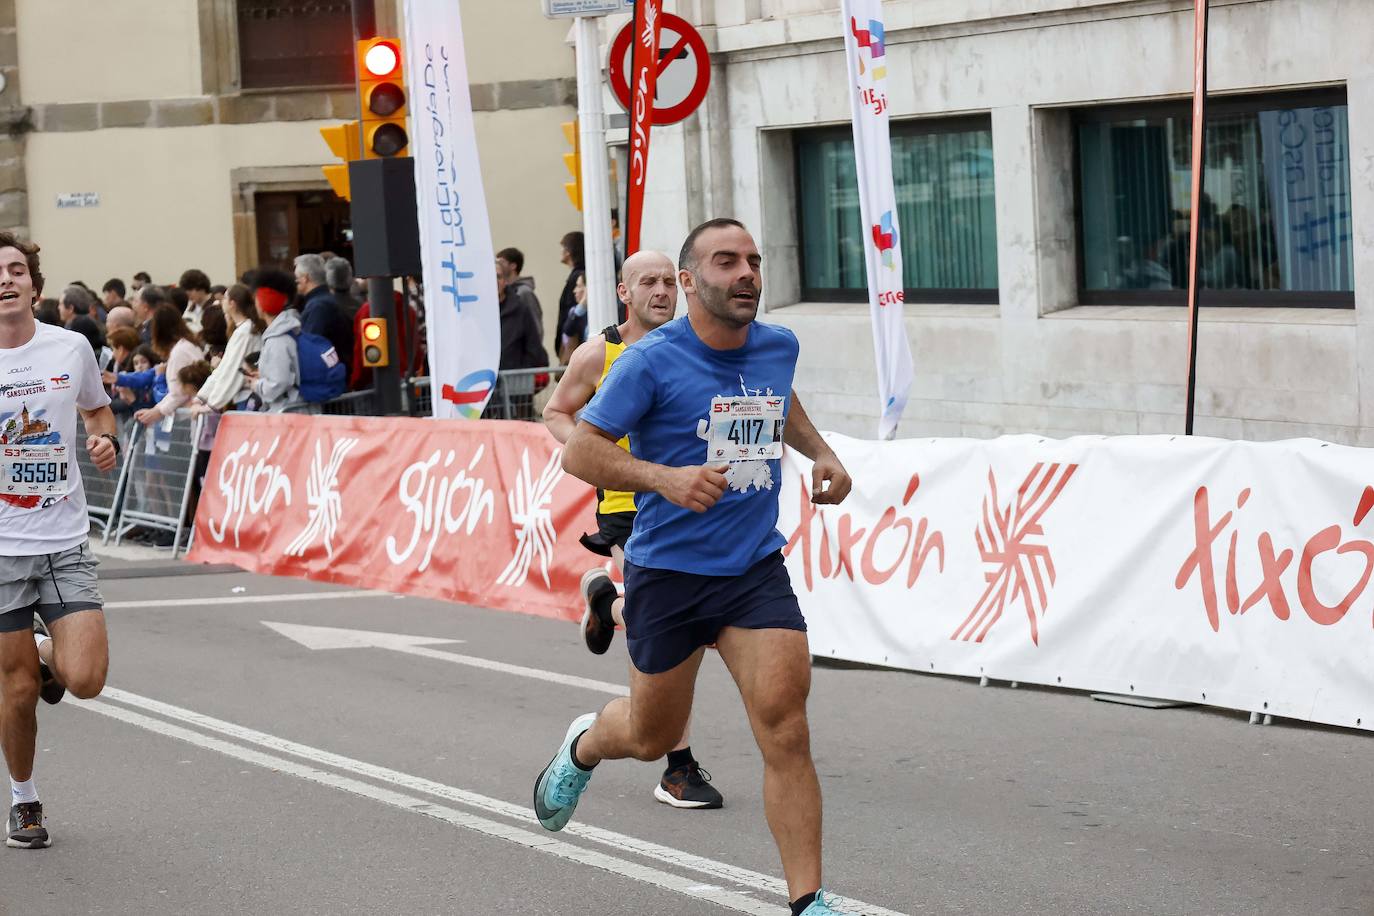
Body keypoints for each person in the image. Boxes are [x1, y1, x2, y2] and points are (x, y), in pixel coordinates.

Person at [532, 219, 854, 916]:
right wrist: (663, 479)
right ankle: (583, 748)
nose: (747, 273)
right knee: (649, 738)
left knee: (786, 727)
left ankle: (810, 903)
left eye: (754, 261)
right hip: (669, 572)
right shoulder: (648, 362)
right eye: (726, 261)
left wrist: (821, 454)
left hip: (752, 568)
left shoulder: (777, 347)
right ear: (687, 281)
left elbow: (779, 404)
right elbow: (580, 451)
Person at [542, 250, 725, 810]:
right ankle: (678, 767)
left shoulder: (695, 346)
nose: (662, 292)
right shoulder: (601, 352)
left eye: (670, 281)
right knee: (669, 622)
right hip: (627, 502)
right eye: (648, 282)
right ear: (625, 293)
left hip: (684, 498)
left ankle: (606, 601)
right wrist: (599, 452)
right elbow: (556, 412)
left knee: (674, 621)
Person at [0, 231, 117, 850]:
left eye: (16, 269)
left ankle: (50, 654)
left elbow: (98, 413)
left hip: (65, 538)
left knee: (87, 677)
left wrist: (105, 440)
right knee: (15, 690)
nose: (6, 279)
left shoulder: (71, 348)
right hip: (0, 549)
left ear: (34, 285)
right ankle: (24, 799)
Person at [192, 284, 264, 414]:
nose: (221, 302)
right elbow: (224, 368)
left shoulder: (245, 332)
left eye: (225, 298)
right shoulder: (242, 330)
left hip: (249, 397)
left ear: (232, 303)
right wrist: (201, 397)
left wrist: (212, 404)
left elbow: (232, 370)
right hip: (244, 397)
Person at [133, 304, 202, 427]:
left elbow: (179, 391)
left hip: (187, 418)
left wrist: (158, 411)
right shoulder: (190, 346)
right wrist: (157, 410)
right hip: (191, 413)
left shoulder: (179, 352)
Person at [246, 268, 303, 413]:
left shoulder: (277, 339)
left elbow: (278, 383)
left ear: (263, 304)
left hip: (286, 415)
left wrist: (256, 385)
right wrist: (264, 375)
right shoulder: (289, 330)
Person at [294, 254, 352, 380]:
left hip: (326, 382)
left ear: (305, 279)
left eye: (296, 278)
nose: (295, 282)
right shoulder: (323, 302)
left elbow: (309, 347)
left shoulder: (318, 307)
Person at [556, 231, 585, 362]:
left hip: (575, 344)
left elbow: (571, 311)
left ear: (569, 251)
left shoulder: (577, 275)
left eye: (563, 247)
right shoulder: (577, 274)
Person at [497, 247, 542, 326]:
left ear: (513, 266)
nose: (498, 266)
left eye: (501, 262)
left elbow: (535, 324)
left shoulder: (524, 292)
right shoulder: (502, 292)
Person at [559, 272, 589, 364]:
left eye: (579, 286)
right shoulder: (576, 312)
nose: (574, 290)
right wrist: (582, 305)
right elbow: (568, 330)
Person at [177, 269, 213, 335]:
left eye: (190, 290)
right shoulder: (188, 307)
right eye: (185, 291)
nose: (188, 294)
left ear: (202, 287)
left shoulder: (215, 307)